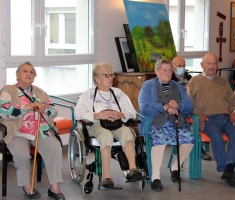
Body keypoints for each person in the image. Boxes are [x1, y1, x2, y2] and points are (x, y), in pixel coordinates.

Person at [0, 62, 65, 200]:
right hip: (17, 132)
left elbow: (53, 110)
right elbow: (4, 111)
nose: (29, 74)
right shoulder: (8, 90)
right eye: (25, 71)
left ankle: (54, 187)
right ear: (17, 75)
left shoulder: (40, 92)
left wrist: (43, 107)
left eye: (32, 72)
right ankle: (26, 185)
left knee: (55, 147)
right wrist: (27, 107)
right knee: (21, 154)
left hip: (40, 131)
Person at [74, 62, 142, 188]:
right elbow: (78, 114)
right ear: (97, 79)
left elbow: (132, 112)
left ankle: (133, 169)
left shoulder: (118, 93)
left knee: (127, 131)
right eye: (106, 75)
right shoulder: (89, 94)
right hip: (96, 125)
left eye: (111, 75)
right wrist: (98, 115)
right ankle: (107, 176)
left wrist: (120, 114)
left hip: (116, 124)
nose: (111, 78)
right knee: (105, 135)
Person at [187, 53, 235, 187]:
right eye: (208, 63)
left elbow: (233, 100)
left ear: (217, 65)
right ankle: (226, 169)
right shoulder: (194, 82)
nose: (212, 66)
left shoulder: (223, 81)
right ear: (202, 65)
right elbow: (189, 104)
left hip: (226, 117)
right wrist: (198, 114)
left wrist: (234, 111)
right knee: (217, 137)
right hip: (208, 119)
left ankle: (228, 170)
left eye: (214, 63)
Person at [138, 59, 194, 191]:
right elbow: (144, 107)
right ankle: (155, 178)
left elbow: (190, 107)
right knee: (160, 139)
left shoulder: (177, 86)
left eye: (170, 70)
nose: (167, 73)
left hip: (175, 123)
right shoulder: (148, 85)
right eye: (164, 70)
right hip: (155, 123)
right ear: (156, 71)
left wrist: (178, 106)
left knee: (190, 139)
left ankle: (175, 167)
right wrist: (164, 107)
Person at [171, 56, 212, 161]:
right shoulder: (170, 81)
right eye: (179, 66)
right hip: (180, 109)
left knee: (207, 116)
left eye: (183, 65)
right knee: (194, 121)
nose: (182, 68)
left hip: (193, 105)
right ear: (173, 67)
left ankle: (202, 141)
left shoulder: (190, 79)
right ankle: (198, 149)